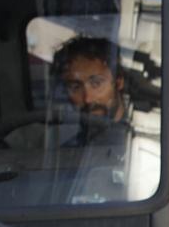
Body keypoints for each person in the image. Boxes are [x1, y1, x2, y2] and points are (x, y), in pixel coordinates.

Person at [50, 34, 160, 200]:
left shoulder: (149, 141)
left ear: (118, 82)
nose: (88, 98)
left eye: (96, 83)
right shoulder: (66, 153)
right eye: (75, 86)